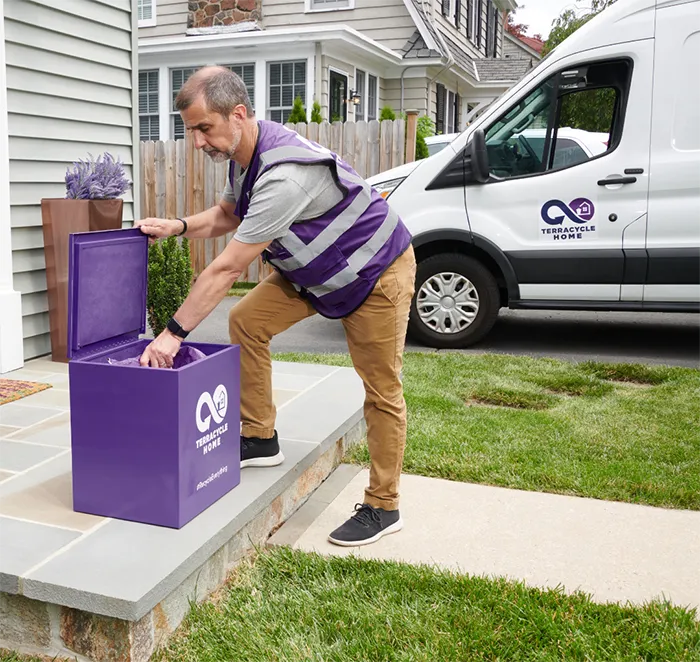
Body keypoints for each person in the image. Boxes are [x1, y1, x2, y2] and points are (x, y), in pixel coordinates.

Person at [136, 66, 416, 547]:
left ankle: (383, 505)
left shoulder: (284, 176)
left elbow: (225, 270)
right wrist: (178, 226)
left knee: (380, 388)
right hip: (315, 272)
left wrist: (172, 333)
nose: (197, 142)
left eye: (204, 128)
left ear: (237, 115)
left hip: (374, 273)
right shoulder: (245, 155)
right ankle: (260, 436)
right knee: (248, 320)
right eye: (191, 130)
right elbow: (228, 213)